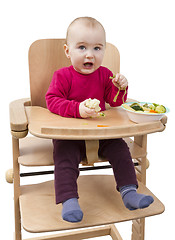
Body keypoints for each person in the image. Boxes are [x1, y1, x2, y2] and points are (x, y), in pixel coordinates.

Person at [45, 16, 154, 223]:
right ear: (68, 51)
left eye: (97, 48)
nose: (90, 55)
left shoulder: (105, 75)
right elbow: (52, 101)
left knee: (121, 150)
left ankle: (129, 193)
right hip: (70, 136)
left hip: (102, 133)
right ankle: (69, 200)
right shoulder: (62, 76)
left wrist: (120, 87)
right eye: (82, 48)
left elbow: (115, 102)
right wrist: (77, 109)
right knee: (64, 157)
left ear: (104, 51)